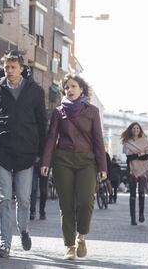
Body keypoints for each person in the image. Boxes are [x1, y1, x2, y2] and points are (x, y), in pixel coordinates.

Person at [0, 50, 47, 258]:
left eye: (13, 67)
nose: (9, 71)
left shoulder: (36, 91)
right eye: (6, 67)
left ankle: (24, 229)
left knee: (23, 198)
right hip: (2, 151)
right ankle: (5, 243)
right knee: (3, 197)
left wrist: (41, 153)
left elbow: (42, 123)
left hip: (26, 153)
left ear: (21, 68)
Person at [41, 74, 106, 260]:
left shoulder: (92, 111)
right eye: (66, 87)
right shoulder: (58, 111)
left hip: (87, 161)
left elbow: (98, 140)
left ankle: (82, 236)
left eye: (73, 86)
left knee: (86, 201)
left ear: (82, 89)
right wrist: (46, 162)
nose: (69, 90)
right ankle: (69, 246)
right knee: (66, 204)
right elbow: (51, 137)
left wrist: (102, 166)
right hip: (63, 160)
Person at [121, 122, 148, 225]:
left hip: (143, 170)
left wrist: (136, 155)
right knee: (132, 195)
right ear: (131, 130)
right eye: (134, 128)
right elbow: (128, 158)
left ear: (140, 129)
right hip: (132, 170)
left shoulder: (145, 140)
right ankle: (133, 218)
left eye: (137, 128)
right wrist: (140, 154)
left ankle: (141, 214)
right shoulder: (127, 142)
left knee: (142, 192)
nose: (136, 129)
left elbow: (147, 156)